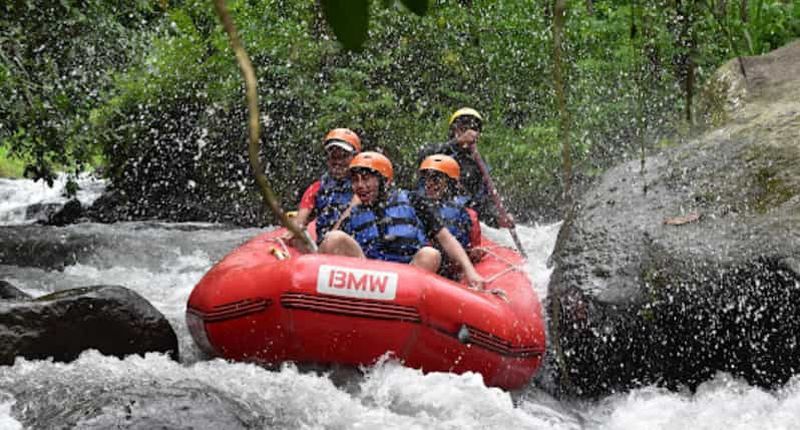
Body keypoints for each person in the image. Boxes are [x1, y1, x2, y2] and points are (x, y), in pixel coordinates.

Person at [319, 151, 485, 288]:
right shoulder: (354, 212)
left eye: (366, 178)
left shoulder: (413, 201)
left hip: (407, 277)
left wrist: (470, 271)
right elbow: (330, 244)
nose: (360, 185)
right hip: (367, 279)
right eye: (355, 180)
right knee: (334, 238)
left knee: (430, 254)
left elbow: (446, 238)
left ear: (384, 181)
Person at [416, 107, 506, 227]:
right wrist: (458, 141)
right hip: (430, 211)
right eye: (463, 127)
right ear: (454, 130)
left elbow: (483, 202)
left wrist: (497, 219)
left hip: (460, 218)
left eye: (474, 128)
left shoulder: (479, 165)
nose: (469, 132)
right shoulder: (439, 151)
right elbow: (421, 157)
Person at [416, 154, 483, 279]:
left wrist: (472, 254)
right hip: (424, 265)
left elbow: (474, 249)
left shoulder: (467, 214)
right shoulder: (416, 207)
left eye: (435, 180)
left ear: (450, 184)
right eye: (427, 179)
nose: (429, 184)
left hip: (449, 273)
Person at [291, 128, 361, 244]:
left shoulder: (365, 189)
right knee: (296, 239)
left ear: (355, 158)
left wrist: (330, 242)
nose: (338, 162)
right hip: (326, 251)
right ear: (328, 159)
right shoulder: (316, 188)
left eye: (343, 156)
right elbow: (299, 222)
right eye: (333, 156)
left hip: (356, 251)